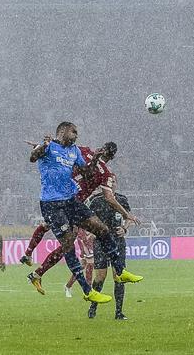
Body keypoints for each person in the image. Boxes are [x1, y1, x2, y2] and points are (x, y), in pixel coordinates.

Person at [26, 123, 142, 304]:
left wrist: (94, 160)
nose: (77, 135)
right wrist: (42, 147)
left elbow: (87, 173)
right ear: (63, 132)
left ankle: (120, 271)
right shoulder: (52, 147)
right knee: (67, 245)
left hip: (72, 200)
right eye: (74, 132)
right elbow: (33, 158)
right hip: (52, 204)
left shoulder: (76, 151)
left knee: (101, 229)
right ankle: (86, 290)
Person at [86, 187, 133, 320]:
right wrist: (92, 230)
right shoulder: (95, 200)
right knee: (100, 276)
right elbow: (86, 217)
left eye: (113, 182)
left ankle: (119, 312)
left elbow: (128, 217)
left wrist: (124, 228)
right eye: (109, 182)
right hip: (101, 241)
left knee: (119, 276)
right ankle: (93, 306)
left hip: (118, 241)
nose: (111, 185)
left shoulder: (122, 199)